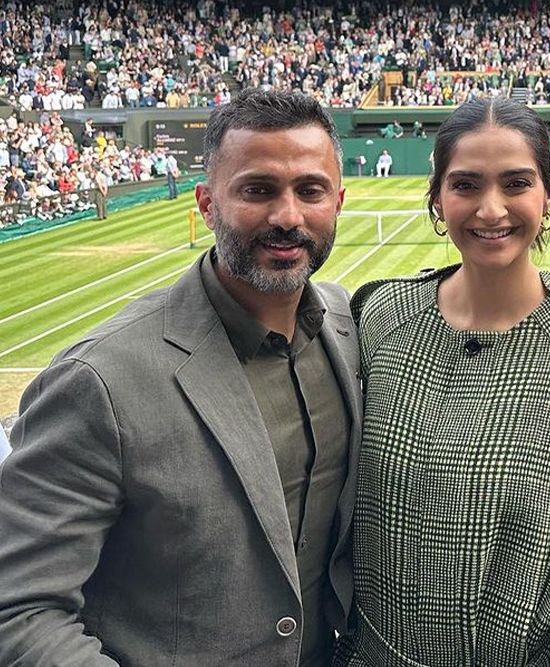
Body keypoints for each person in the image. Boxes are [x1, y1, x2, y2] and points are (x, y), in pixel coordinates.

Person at [0, 89, 362, 665]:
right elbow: (18, 611)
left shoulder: (350, 328)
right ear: (206, 204)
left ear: (338, 202)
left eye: (309, 191)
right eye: (257, 190)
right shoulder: (99, 379)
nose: (287, 216)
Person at [336, 98, 550, 665]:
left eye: (516, 183)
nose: (491, 210)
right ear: (438, 198)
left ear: (548, 196)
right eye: (467, 184)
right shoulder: (381, 318)